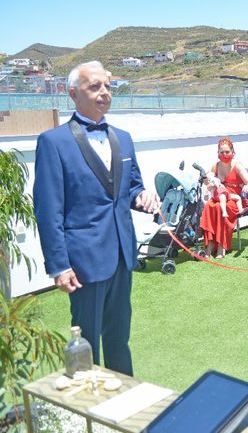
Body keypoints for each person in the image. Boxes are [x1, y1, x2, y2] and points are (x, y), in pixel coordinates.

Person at [33, 61, 160, 376]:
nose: (104, 92)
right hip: (83, 261)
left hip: (122, 254)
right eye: (95, 87)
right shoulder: (53, 142)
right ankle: (88, 410)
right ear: (74, 94)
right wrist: (59, 265)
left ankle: (126, 401)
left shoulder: (124, 138)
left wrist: (142, 197)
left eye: (108, 86)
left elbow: (130, 187)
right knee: (86, 342)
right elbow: (49, 209)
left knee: (119, 337)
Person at [200, 137, 248, 258]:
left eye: (227, 152)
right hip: (220, 194)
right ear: (218, 153)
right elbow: (208, 183)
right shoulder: (216, 165)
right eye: (221, 152)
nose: (224, 154)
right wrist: (208, 182)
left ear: (232, 152)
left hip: (235, 198)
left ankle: (221, 245)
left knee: (220, 208)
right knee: (209, 206)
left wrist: (247, 187)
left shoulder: (237, 165)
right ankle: (210, 243)